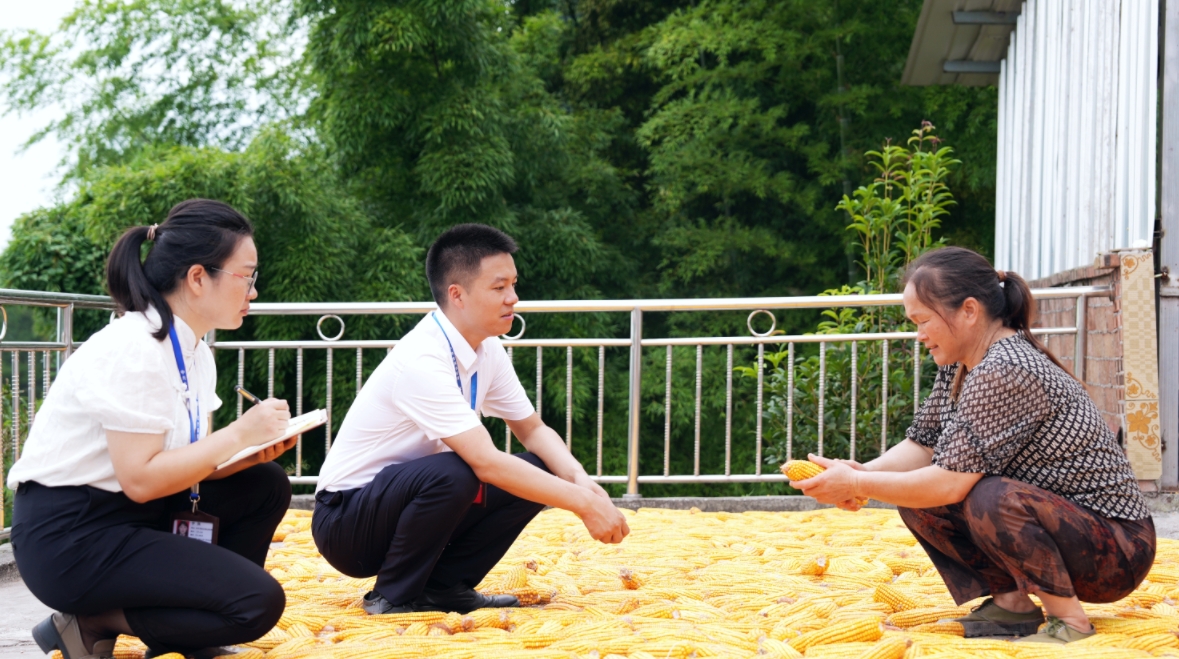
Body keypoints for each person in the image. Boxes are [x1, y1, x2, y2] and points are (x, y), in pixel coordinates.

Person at [791, 246, 1154, 645]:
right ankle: (1013, 604)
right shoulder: (961, 363)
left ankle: (1070, 622)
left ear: (968, 310)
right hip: (1074, 531)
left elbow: (949, 483)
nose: (919, 335)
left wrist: (857, 485)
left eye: (924, 321)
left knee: (989, 497)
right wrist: (862, 473)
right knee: (919, 498)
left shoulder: (1006, 368)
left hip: (1118, 550)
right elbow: (923, 445)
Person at [8, 200, 297, 659]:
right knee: (257, 603)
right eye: (247, 277)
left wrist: (250, 452)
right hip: (72, 536)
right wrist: (239, 434)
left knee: (264, 482)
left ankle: (189, 634)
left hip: (132, 512)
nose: (254, 291)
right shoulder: (134, 348)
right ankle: (91, 620)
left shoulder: (194, 351)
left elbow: (184, 464)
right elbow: (141, 479)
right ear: (198, 277)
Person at [313, 223, 630, 615]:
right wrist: (583, 505)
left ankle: (444, 588)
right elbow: (485, 461)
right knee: (458, 471)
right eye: (499, 287)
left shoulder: (486, 349)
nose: (513, 298)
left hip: (405, 505)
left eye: (513, 285)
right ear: (457, 295)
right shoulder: (422, 358)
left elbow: (532, 429)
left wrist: (581, 481)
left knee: (540, 468)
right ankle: (393, 596)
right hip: (346, 523)